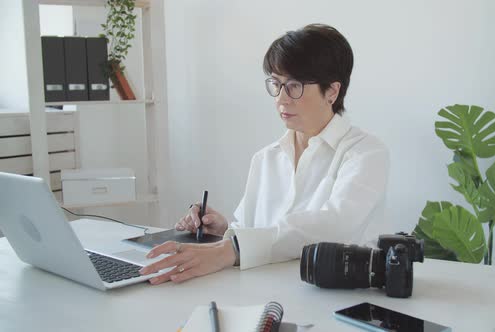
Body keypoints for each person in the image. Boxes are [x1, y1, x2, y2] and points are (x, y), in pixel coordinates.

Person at [139, 24, 390, 285]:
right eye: (276, 84)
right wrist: (225, 230)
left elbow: (333, 226)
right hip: (262, 293)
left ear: (332, 91)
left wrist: (235, 247)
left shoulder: (366, 153)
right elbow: (251, 232)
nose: (281, 98)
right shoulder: (266, 159)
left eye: (294, 86)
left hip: (334, 301)